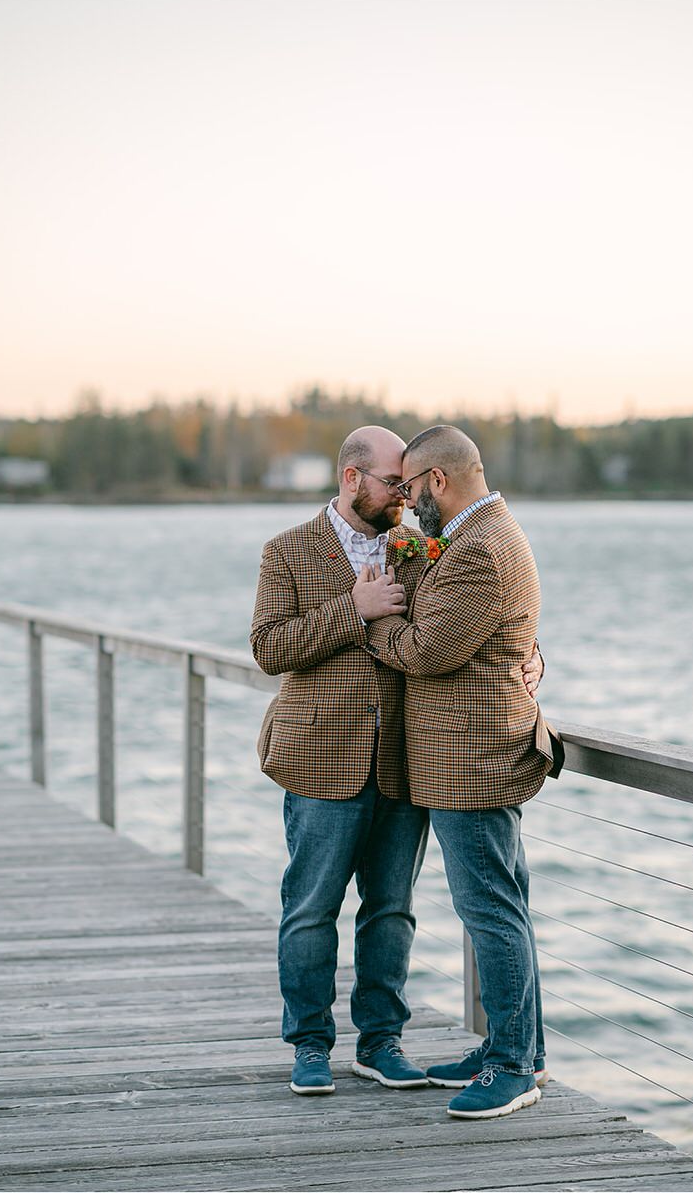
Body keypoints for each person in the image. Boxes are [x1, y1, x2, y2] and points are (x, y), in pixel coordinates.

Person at [251, 425, 544, 1096]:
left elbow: (484, 614)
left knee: (391, 912)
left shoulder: (421, 546)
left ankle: (381, 1043)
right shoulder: (287, 551)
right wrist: (352, 610)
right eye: (392, 484)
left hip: (408, 763)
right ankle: (310, 1045)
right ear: (353, 478)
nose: (404, 501)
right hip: (321, 759)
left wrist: (529, 656)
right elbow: (269, 648)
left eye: (408, 486)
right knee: (309, 909)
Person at [354, 424, 553, 1120]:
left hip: (471, 759)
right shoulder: (481, 536)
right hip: (471, 752)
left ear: (437, 480)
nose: (407, 504)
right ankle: (516, 1046)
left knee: (490, 913)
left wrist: (372, 619)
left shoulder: (479, 549)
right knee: (503, 908)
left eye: (410, 488)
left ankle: (511, 1067)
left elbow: (429, 650)